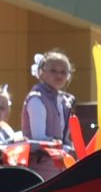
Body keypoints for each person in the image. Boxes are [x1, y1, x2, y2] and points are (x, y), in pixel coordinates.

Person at [22, 51, 77, 180]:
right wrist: (67, 150)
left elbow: (66, 136)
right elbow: (39, 139)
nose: (59, 75)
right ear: (41, 72)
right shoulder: (37, 99)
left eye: (63, 72)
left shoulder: (65, 100)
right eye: (53, 71)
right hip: (42, 166)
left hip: (61, 164)